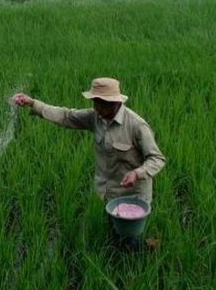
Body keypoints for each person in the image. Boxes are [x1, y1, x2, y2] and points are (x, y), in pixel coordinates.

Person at [12, 77, 166, 251]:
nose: (95, 107)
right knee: (115, 233)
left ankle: (143, 256)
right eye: (94, 102)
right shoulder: (96, 117)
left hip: (134, 193)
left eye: (99, 103)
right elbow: (66, 116)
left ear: (113, 102)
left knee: (129, 238)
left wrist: (137, 173)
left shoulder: (137, 125)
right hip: (110, 191)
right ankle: (121, 255)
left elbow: (157, 158)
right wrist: (32, 103)